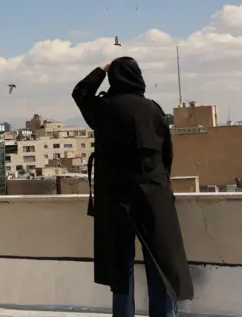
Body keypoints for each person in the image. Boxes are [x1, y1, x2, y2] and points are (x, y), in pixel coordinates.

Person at [72, 57, 193, 317]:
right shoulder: (153, 110)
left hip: (116, 198)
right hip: (153, 195)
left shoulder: (104, 108)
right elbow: (167, 155)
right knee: (160, 264)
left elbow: (80, 93)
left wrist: (101, 70)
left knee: (120, 269)